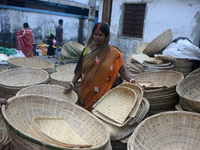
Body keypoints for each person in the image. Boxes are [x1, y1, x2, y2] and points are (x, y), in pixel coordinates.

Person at [64, 22, 136, 112]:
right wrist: (71, 85)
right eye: (95, 34)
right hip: (85, 93)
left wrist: (133, 82)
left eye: (100, 35)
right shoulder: (87, 51)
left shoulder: (114, 54)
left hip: (103, 95)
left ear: (107, 36)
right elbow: (80, 70)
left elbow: (123, 71)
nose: (97, 37)